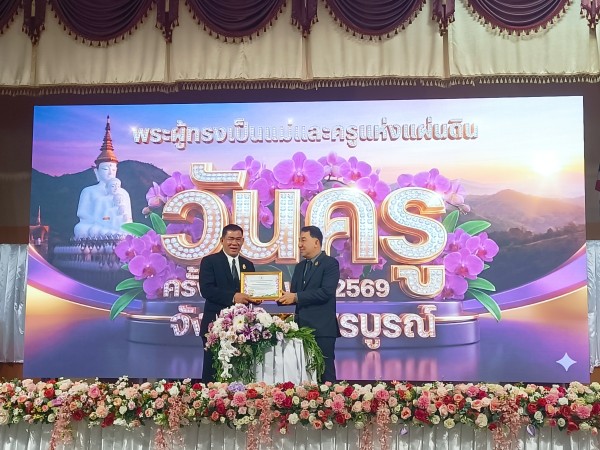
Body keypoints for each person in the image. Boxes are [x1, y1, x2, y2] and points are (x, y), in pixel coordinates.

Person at [278, 225, 340, 383]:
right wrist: (273, 296)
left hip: (322, 329)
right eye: (299, 240)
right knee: (302, 372)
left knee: (324, 372)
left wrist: (295, 297)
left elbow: (326, 292)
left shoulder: (330, 263)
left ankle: (330, 398)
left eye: (303, 240)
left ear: (316, 242)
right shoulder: (300, 267)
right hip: (300, 329)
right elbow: (294, 294)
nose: (300, 244)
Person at [199, 224, 256, 383]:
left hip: (241, 329)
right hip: (215, 326)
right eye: (230, 239)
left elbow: (250, 292)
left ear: (242, 241)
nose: (234, 243)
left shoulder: (248, 265)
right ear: (222, 240)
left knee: (239, 370)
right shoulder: (209, 261)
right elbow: (207, 290)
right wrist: (233, 297)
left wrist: (256, 298)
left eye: (238, 239)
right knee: (212, 369)